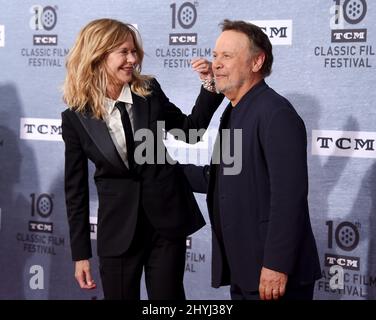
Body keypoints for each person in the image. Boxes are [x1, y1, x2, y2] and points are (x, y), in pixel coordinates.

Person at [61, 18, 223, 300]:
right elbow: (75, 191)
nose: (132, 59)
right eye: (123, 52)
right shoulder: (75, 117)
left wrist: (209, 84)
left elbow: (191, 131)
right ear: (98, 54)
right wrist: (81, 255)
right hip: (117, 232)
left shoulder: (148, 91)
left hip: (165, 224)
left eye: (134, 52)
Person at [183, 19, 321, 300]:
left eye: (227, 56)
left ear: (257, 62)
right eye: (215, 55)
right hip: (245, 270)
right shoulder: (235, 111)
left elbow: (289, 197)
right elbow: (219, 177)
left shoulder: (276, 113)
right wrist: (161, 169)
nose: (216, 64)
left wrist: (276, 264)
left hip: (272, 274)